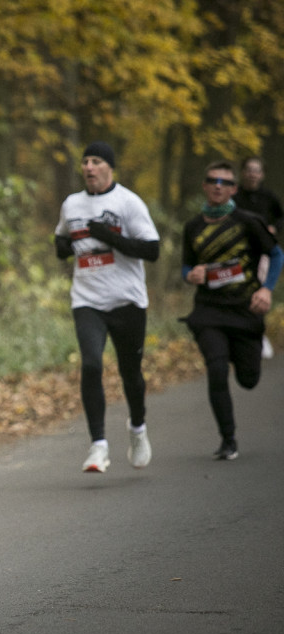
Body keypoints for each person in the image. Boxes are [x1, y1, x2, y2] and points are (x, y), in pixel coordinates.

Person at [54, 141, 161, 473]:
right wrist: (63, 245)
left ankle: (138, 429)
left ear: (109, 167)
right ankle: (98, 445)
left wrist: (110, 237)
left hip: (127, 301)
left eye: (96, 161)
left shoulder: (128, 202)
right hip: (87, 300)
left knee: (131, 373)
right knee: (90, 364)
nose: (88, 167)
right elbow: (61, 242)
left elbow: (152, 250)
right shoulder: (72, 204)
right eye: (85, 161)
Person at [180, 160, 283, 460]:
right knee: (216, 369)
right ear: (204, 185)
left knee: (248, 380)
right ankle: (228, 439)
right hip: (209, 310)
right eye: (212, 180)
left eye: (224, 182)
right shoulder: (193, 226)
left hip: (244, 310)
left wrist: (266, 289)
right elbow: (186, 265)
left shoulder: (248, 221)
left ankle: (244, 356)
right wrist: (190, 275)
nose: (217, 186)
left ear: (234, 189)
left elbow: (276, 255)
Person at [234, 155, 283, 359]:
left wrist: (273, 229)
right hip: (237, 253)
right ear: (243, 173)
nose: (252, 174)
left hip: (262, 252)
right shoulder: (234, 196)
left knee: (258, 289)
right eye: (249, 169)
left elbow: (281, 218)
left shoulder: (269, 197)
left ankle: (258, 333)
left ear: (262, 175)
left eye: (256, 170)